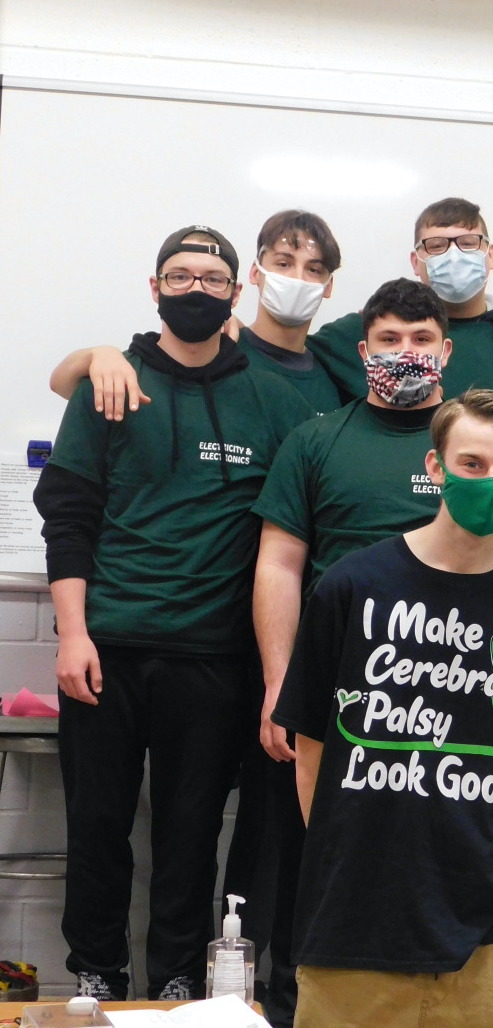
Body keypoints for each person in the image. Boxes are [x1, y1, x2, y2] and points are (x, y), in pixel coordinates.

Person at [250, 277, 493, 1022]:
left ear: (446, 350)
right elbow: (279, 567)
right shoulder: (323, 460)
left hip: (474, 864)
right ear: (437, 468)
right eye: (389, 339)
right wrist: (282, 685)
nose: (489, 480)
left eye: (421, 339)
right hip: (352, 758)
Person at [33, 226, 314, 1001]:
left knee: (191, 834)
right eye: (181, 276)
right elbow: (68, 517)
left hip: (215, 659)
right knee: (97, 826)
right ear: (154, 288)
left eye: (213, 278)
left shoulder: (275, 402)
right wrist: (73, 635)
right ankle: (97, 974)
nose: (197, 289)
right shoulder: (108, 384)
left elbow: (301, 521)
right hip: (106, 650)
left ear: (236, 292)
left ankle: (178, 982)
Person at [48, 210, 348, 416]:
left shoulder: (334, 366)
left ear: (329, 285)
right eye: (283, 264)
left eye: (314, 269)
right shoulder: (217, 352)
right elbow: (71, 386)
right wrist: (98, 355)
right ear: (255, 273)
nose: (297, 278)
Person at [309, 196, 493, 400]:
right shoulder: (366, 332)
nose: (454, 256)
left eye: (468, 243)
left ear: (491, 255)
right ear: (415, 262)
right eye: (436, 246)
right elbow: (289, 356)